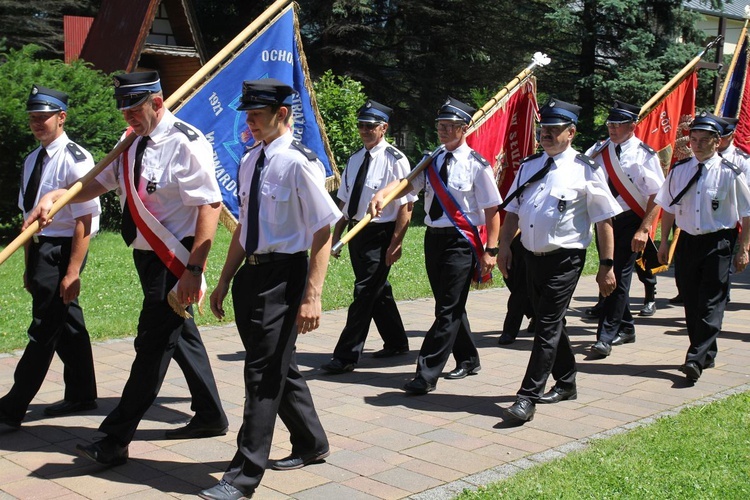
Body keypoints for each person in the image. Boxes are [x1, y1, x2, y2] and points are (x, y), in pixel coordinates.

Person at [27, 71, 228, 464]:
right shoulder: (129, 141)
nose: (128, 118)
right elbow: (94, 184)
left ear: (158, 102)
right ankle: (210, 414)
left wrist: (193, 269)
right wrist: (57, 196)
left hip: (176, 258)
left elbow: (210, 204)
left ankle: (115, 438)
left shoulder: (186, 143)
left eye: (135, 109)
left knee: (151, 344)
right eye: (123, 110)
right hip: (145, 256)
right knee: (180, 334)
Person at [200, 79, 340, 500]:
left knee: (261, 373)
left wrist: (312, 295)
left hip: (286, 277)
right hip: (252, 277)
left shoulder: (299, 163)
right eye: (247, 114)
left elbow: (323, 229)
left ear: (282, 114)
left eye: (256, 115)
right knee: (278, 364)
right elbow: (245, 227)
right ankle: (312, 442)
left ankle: (242, 476)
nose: (249, 122)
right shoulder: (249, 160)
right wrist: (225, 278)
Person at [498, 98, 620, 424]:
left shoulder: (586, 169)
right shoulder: (529, 166)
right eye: (543, 129)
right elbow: (511, 210)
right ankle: (566, 382)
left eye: (554, 129)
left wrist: (606, 267)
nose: (546, 134)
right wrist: (503, 247)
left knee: (546, 325)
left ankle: (527, 398)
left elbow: (605, 221)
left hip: (565, 258)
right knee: (549, 321)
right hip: (529, 256)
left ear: (571, 132)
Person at [370, 97, 502, 395]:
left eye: (449, 126)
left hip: (461, 241)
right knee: (448, 305)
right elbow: (407, 183)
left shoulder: (477, 165)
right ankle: (468, 358)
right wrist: (382, 194)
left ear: (464, 128)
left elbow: (493, 210)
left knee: (447, 310)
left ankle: (426, 373)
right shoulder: (433, 159)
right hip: (434, 239)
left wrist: (490, 250)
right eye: (440, 125)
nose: (442, 130)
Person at [0, 85, 100, 429]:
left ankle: (11, 408)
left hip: (64, 252)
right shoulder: (32, 160)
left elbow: (86, 219)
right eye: (32, 117)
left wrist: (73, 271)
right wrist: (28, 267)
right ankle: (82, 393)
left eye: (43, 117)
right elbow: (28, 219)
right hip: (41, 251)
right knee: (67, 320)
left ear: (62, 117)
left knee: (44, 328)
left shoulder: (76, 158)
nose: (37, 123)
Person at [656, 113, 750, 383]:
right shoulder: (680, 170)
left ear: (716, 141)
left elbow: (746, 212)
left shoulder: (730, 173)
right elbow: (669, 209)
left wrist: (744, 248)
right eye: (693, 140)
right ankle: (706, 351)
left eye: (703, 141)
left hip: (718, 242)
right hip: (687, 241)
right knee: (691, 300)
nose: (696, 145)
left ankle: (694, 357)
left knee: (711, 300)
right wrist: (664, 242)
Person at [321, 100, 414, 374]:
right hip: (356, 233)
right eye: (361, 125)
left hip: (380, 234)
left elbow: (406, 207)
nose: (364, 130)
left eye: (370, 126)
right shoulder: (354, 159)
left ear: (383, 128)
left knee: (364, 292)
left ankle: (346, 355)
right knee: (376, 289)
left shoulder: (395, 160)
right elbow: (344, 204)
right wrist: (336, 238)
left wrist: (396, 244)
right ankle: (397, 342)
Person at [586, 101, 664, 357]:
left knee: (616, 274)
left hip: (632, 220)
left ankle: (605, 336)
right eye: (610, 124)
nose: (613, 128)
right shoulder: (598, 150)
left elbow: (657, 194)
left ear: (633, 125)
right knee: (611, 270)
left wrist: (644, 229)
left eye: (619, 124)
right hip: (605, 221)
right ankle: (626, 327)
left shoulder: (644, 154)